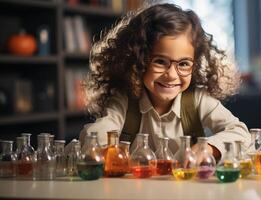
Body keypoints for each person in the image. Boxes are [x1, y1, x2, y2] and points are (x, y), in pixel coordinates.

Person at [79, 3, 250, 161]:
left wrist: (209, 148)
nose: (171, 75)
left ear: (195, 65)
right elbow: (95, 136)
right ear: (139, 60)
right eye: (160, 61)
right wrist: (105, 148)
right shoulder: (125, 100)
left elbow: (240, 132)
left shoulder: (198, 100)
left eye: (183, 64)